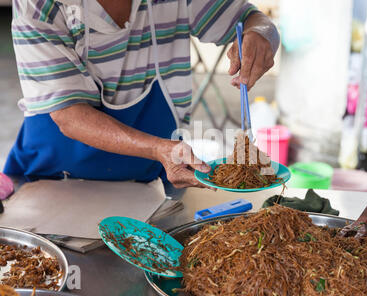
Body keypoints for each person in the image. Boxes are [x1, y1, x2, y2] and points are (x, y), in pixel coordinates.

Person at [4, 0, 280, 189]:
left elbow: (249, 18)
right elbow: (70, 115)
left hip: (150, 185)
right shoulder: (40, 6)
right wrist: (159, 148)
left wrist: (261, 34)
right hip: (52, 184)